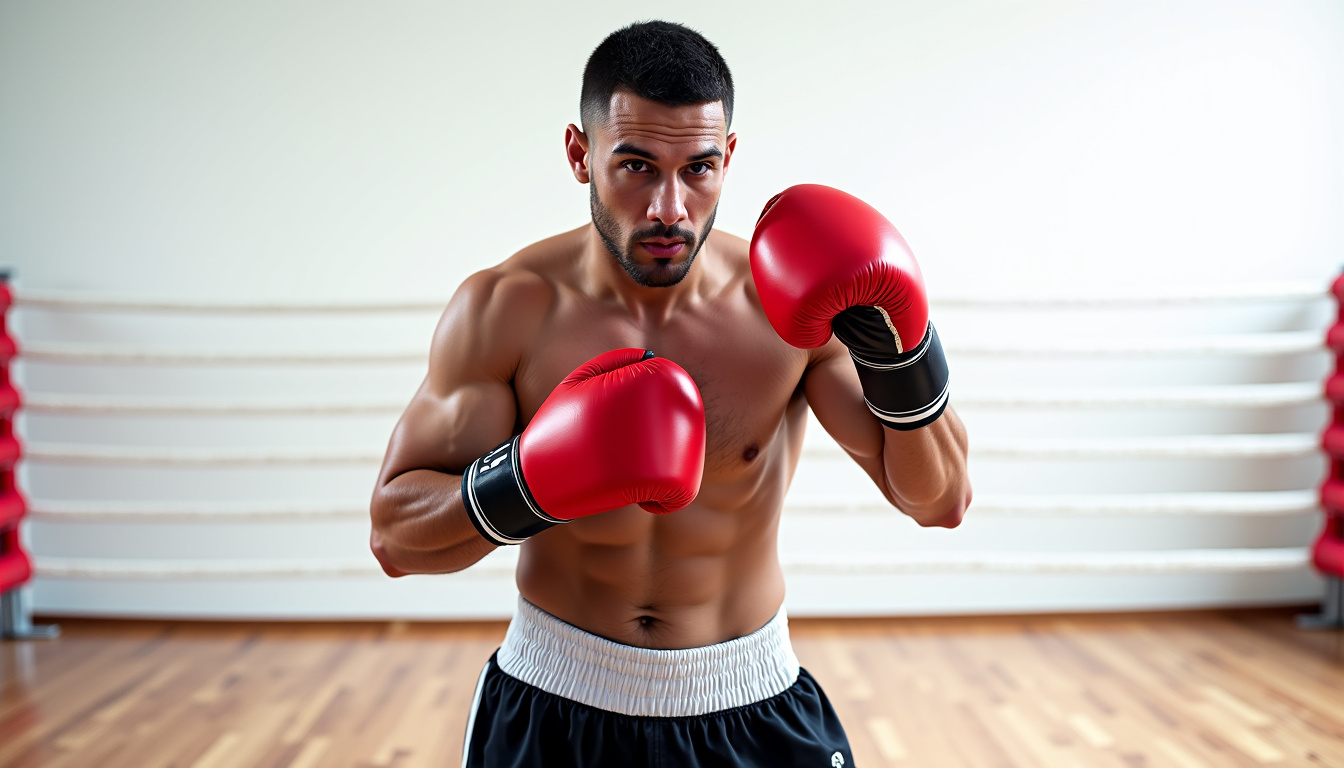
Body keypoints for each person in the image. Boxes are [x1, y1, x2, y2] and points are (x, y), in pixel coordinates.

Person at [370, 19, 971, 768]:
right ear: (579, 155)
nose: (669, 208)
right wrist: (533, 479)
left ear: (730, 158)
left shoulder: (781, 309)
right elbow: (396, 537)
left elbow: (937, 500)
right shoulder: (508, 310)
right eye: (636, 167)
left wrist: (902, 351)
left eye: (698, 169)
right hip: (555, 704)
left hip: (750, 701)